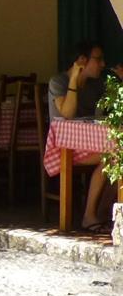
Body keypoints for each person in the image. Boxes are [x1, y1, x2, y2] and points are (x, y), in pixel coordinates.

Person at [48, 41, 122, 232]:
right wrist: (74, 78)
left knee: (118, 156)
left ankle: (103, 213)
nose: (102, 64)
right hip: (65, 148)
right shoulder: (58, 82)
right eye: (98, 59)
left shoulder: (95, 85)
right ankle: (90, 216)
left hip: (92, 144)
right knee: (114, 157)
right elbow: (67, 113)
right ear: (82, 60)